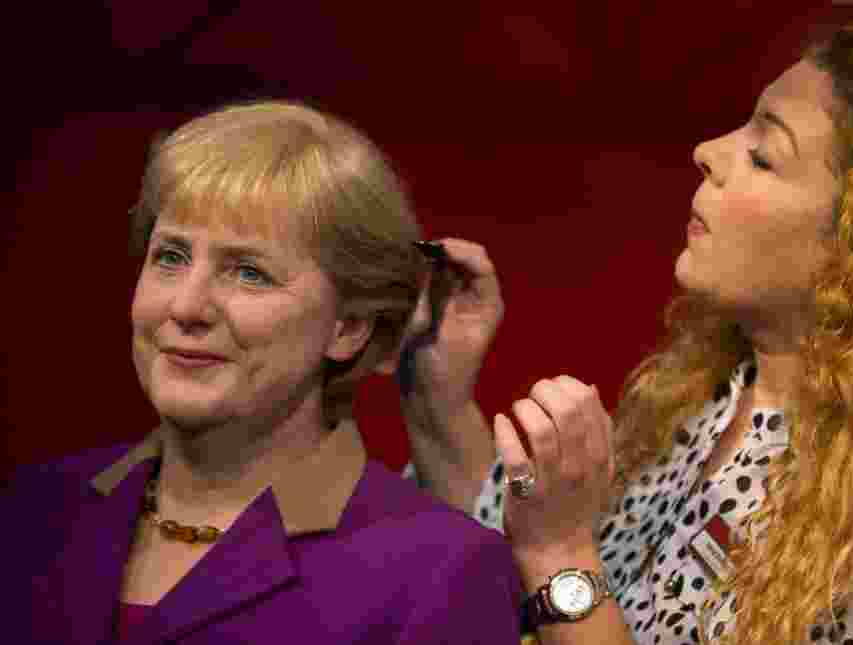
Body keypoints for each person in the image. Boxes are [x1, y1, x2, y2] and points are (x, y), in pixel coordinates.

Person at [399, 17, 853, 645]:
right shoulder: (710, 393)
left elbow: (556, 572)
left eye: (762, 156)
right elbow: (506, 571)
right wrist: (437, 394)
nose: (708, 152)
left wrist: (561, 550)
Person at [7, 101, 523, 643]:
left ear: (348, 328)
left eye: (249, 273)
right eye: (171, 257)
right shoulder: (32, 513)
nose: (186, 307)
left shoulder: (441, 571)